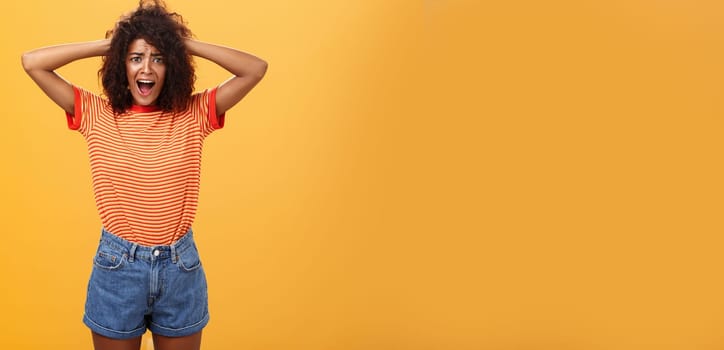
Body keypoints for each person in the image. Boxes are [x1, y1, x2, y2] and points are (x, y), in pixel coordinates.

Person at [21, 0, 267, 349]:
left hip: (180, 267)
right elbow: (32, 62)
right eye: (136, 57)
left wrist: (180, 42)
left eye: (158, 57)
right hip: (118, 267)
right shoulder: (96, 113)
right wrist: (114, 41)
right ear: (121, 65)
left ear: (172, 66)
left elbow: (255, 69)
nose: (146, 68)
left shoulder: (192, 114)